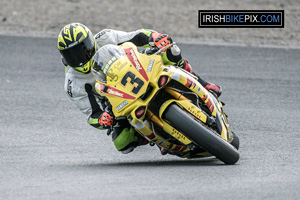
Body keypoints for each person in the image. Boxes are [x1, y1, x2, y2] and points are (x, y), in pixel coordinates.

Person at [57, 23, 222, 154]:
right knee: (122, 143)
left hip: (137, 70)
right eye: (72, 55)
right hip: (116, 101)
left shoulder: (105, 37)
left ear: (91, 41)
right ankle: (156, 135)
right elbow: (91, 114)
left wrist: (155, 37)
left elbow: (136, 36)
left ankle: (204, 84)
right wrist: (102, 119)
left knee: (169, 51)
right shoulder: (73, 82)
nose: (80, 58)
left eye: (83, 49)